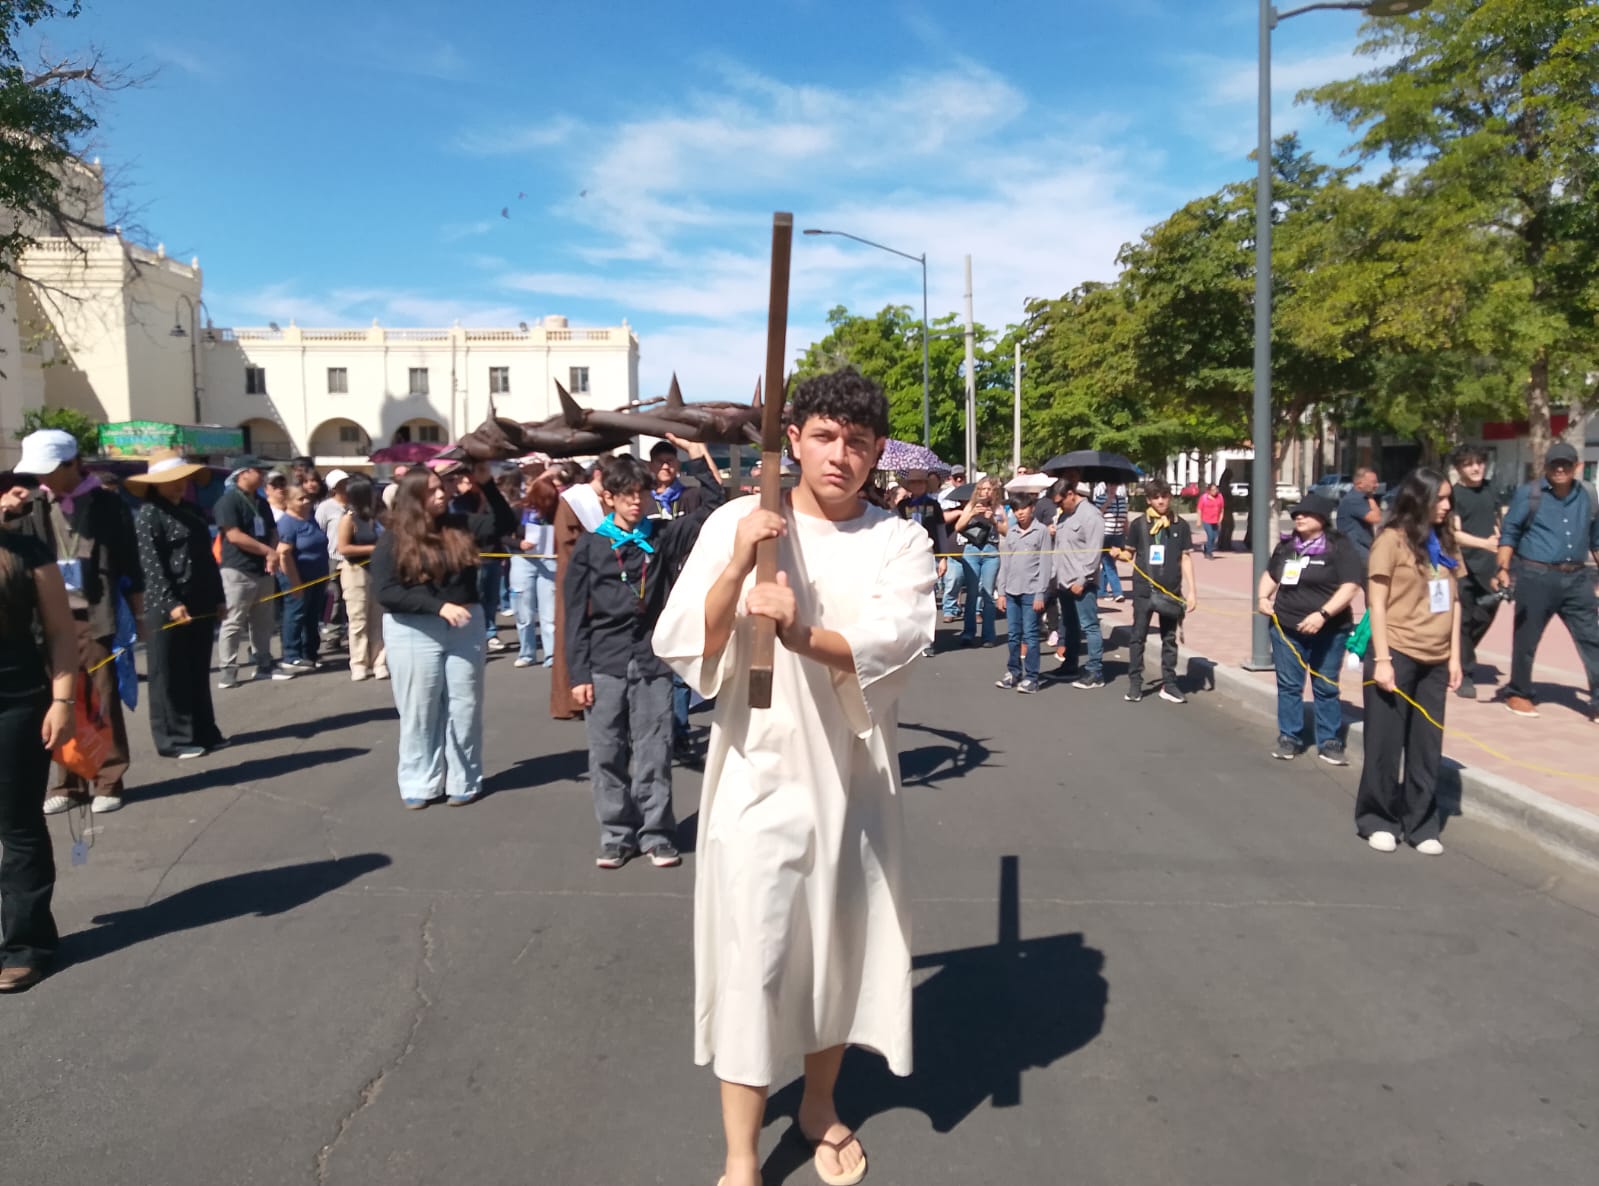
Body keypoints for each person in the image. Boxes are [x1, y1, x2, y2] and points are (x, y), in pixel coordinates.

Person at [652, 368, 934, 1186]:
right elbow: (691, 645)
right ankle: (741, 1156)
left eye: (857, 441)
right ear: (797, 440)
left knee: (833, 947)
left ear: (877, 450)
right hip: (756, 770)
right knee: (757, 951)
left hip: (852, 776)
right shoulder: (746, 520)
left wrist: (800, 631)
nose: (840, 455)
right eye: (823, 436)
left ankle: (817, 1103)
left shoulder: (898, 539)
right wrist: (739, 565)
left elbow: (895, 642)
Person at [567, 456, 716, 868]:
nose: (637, 502)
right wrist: (577, 675)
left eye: (642, 494)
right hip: (605, 661)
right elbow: (575, 615)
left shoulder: (663, 535)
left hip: (652, 661)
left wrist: (692, 454)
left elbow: (713, 507)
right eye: (628, 495)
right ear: (610, 498)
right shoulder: (592, 545)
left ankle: (656, 834)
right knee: (607, 752)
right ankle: (616, 834)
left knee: (655, 749)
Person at [11, 429, 145, 815]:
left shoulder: (108, 505)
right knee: (56, 701)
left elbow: (130, 563)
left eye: (50, 469)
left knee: (101, 696)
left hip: (96, 613)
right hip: (46, 617)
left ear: (73, 463)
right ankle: (68, 782)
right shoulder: (34, 503)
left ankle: (108, 778)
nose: (42, 478)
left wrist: (138, 616)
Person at [1356, 468, 1461, 856]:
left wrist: (1454, 656)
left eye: (1450, 499)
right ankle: (1377, 819)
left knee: (1426, 746)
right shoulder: (1391, 541)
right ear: (1419, 499)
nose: (1447, 506)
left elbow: (1454, 600)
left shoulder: (1446, 541)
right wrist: (1382, 659)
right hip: (1395, 651)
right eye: (1441, 499)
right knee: (1385, 744)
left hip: (1435, 657)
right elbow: (1376, 603)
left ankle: (1420, 822)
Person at [0, 484, 78, 992]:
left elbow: (59, 633)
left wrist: (63, 700)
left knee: (17, 825)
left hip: (17, 703)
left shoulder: (26, 553)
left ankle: (26, 946)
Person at [372, 468, 485, 808]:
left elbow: (502, 523)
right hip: (413, 629)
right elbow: (387, 592)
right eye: (433, 490)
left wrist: (487, 482)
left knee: (464, 707)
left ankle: (464, 779)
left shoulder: (458, 525)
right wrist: (437, 607)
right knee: (420, 710)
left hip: (464, 625)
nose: (442, 495)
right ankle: (420, 782)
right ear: (414, 498)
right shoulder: (393, 538)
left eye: (443, 488)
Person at [128, 452, 227, 758]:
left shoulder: (192, 511)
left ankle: (203, 730)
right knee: (168, 674)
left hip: (199, 599)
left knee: (197, 668)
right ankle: (173, 739)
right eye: (174, 480)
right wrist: (171, 603)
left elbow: (209, 559)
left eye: (183, 479)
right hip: (166, 603)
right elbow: (151, 565)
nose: (181, 485)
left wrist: (219, 596)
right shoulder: (148, 515)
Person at [1492, 441, 1599, 720]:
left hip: (1577, 579)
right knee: (1526, 639)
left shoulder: (1589, 494)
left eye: (1566, 463)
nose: (1560, 468)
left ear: (1578, 466)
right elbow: (1510, 533)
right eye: (1555, 464)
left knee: (1592, 638)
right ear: (1546, 467)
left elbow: (1596, 539)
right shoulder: (1530, 494)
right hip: (1536, 576)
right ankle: (1519, 692)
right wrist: (1502, 569)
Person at [1256, 493, 1363, 763]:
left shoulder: (1339, 546)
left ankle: (1328, 740)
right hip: (1286, 628)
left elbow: (1350, 585)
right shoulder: (1288, 546)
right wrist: (1262, 598)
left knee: (1325, 685)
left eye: (1305, 513)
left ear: (1323, 517)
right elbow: (1271, 575)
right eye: (1295, 515)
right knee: (1289, 685)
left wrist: (1322, 614)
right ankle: (1289, 737)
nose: (1298, 518)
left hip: (1330, 630)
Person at [214, 455, 293, 690]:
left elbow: (272, 530)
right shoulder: (228, 501)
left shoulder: (260, 502)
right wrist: (267, 551)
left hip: (263, 569)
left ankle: (264, 664)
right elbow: (234, 535)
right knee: (233, 621)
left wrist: (273, 552)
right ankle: (228, 670)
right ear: (243, 473)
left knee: (263, 620)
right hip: (238, 569)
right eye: (258, 471)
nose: (262, 476)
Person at [1115, 478, 1197, 704]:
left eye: (1164, 496)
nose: (1161, 501)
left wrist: (1192, 592)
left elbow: (1186, 558)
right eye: (1156, 497)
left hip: (1171, 592)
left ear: (1170, 497)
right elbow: (1129, 553)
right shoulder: (1139, 524)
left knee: (1169, 639)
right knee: (1137, 637)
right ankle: (1135, 684)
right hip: (1143, 591)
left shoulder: (1180, 525)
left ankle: (1169, 684)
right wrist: (1118, 553)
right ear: (1149, 500)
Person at [552, 460, 605, 720]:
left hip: (600, 574)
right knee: (573, 630)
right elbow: (567, 539)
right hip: (577, 571)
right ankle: (568, 699)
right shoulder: (574, 499)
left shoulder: (607, 498)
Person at [448, 461, 518, 654]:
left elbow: (505, 523)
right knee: (475, 598)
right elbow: (467, 529)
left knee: (492, 599)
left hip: (493, 556)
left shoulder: (491, 498)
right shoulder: (460, 503)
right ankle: (476, 634)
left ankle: (491, 632)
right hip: (473, 558)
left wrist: (488, 488)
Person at [1449, 445, 1501, 699]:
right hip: (1464, 566)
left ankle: (1456, 654)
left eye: (1479, 462)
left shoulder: (1491, 488)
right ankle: (1465, 673)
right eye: (1469, 464)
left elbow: (1498, 518)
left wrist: (1502, 545)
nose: (1476, 467)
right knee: (1465, 619)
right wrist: (1484, 543)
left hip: (1490, 567)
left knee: (1487, 614)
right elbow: (1454, 534)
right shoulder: (1454, 495)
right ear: (1459, 469)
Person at [1052, 480, 1107, 688]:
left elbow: (1093, 553)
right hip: (1064, 581)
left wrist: (1082, 580)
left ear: (1071, 494)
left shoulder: (1091, 516)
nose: (1059, 507)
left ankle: (1095, 671)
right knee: (1070, 625)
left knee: (1090, 626)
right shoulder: (1065, 515)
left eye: (1060, 502)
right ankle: (1070, 665)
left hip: (1082, 583)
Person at [995, 492, 1050, 694]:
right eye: (1016, 510)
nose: (1020, 513)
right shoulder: (1012, 533)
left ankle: (1032, 677)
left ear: (1031, 508)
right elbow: (1005, 564)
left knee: (1031, 635)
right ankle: (1013, 671)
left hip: (1031, 592)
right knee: (1013, 635)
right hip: (1011, 592)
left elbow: (1046, 565)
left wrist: (1040, 594)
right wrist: (1001, 592)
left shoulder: (1041, 531)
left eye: (1024, 509)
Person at [335, 474, 388, 681]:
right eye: (371, 490)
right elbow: (344, 547)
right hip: (356, 571)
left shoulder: (379, 516)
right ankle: (358, 662)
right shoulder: (349, 518)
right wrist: (376, 548)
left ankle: (379, 661)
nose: (376, 493)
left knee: (378, 618)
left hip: (378, 570)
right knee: (358, 619)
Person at [896, 469, 952, 657]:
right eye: (913, 483)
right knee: (907, 597)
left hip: (928, 555)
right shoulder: (902, 506)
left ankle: (928, 640)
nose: (917, 486)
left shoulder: (934, 505)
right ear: (909, 486)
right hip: (907, 556)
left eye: (921, 483)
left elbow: (941, 531)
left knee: (928, 598)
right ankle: (910, 638)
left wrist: (943, 557)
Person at [275, 485, 330, 672]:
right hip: (296, 576)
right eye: (300, 499)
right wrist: (294, 583)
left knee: (312, 615)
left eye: (307, 497)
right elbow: (283, 554)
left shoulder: (310, 519)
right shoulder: (287, 523)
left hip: (317, 577)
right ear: (288, 502)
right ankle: (291, 655)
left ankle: (310, 653)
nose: (306, 501)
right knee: (296, 614)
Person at [510, 475, 559, 668]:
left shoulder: (557, 511)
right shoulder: (518, 509)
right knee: (524, 611)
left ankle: (552, 654)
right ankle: (527, 652)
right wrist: (519, 543)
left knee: (550, 613)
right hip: (523, 560)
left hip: (549, 560)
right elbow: (501, 534)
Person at [954, 476, 1002, 647]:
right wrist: (972, 514)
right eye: (982, 489)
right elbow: (958, 527)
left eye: (989, 489)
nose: (986, 492)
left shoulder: (998, 508)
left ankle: (988, 635)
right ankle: (968, 633)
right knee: (972, 593)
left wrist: (993, 520)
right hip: (972, 550)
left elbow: (1006, 531)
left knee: (988, 593)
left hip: (990, 550)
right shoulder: (970, 505)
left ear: (994, 491)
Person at [1335, 467, 1382, 564]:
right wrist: (1371, 498)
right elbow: (1376, 518)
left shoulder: (1361, 499)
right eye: (1373, 482)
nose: (1376, 485)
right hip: (1356, 551)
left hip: (1361, 548)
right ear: (1359, 484)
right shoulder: (1354, 500)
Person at [1095, 481, 1127, 600]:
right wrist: (1108, 502)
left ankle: (1101, 590)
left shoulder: (1122, 500)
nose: (1113, 487)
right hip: (1105, 534)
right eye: (1111, 485)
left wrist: (1126, 534)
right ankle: (1117, 591)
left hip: (1117, 534)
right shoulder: (1100, 498)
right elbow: (1096, 514)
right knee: (1108, 563)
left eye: (1115, 485)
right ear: (1107, 486)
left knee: (1110, 563)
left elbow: (1125, 518)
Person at [1198, 483, 1225, 559]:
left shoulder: (1220, 497)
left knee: (1214, 537)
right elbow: (1199, 509)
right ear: (1209, 491)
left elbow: (1222, 509)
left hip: (1216, 520)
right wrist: (1199, 520)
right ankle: (1209, 553)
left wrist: (1220, 519)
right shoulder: (1204, 498)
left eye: (1216, 489)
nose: (1214, 491)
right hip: (1206, 520)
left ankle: (1206, 547)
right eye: (1212, 490)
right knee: (1210, 535)